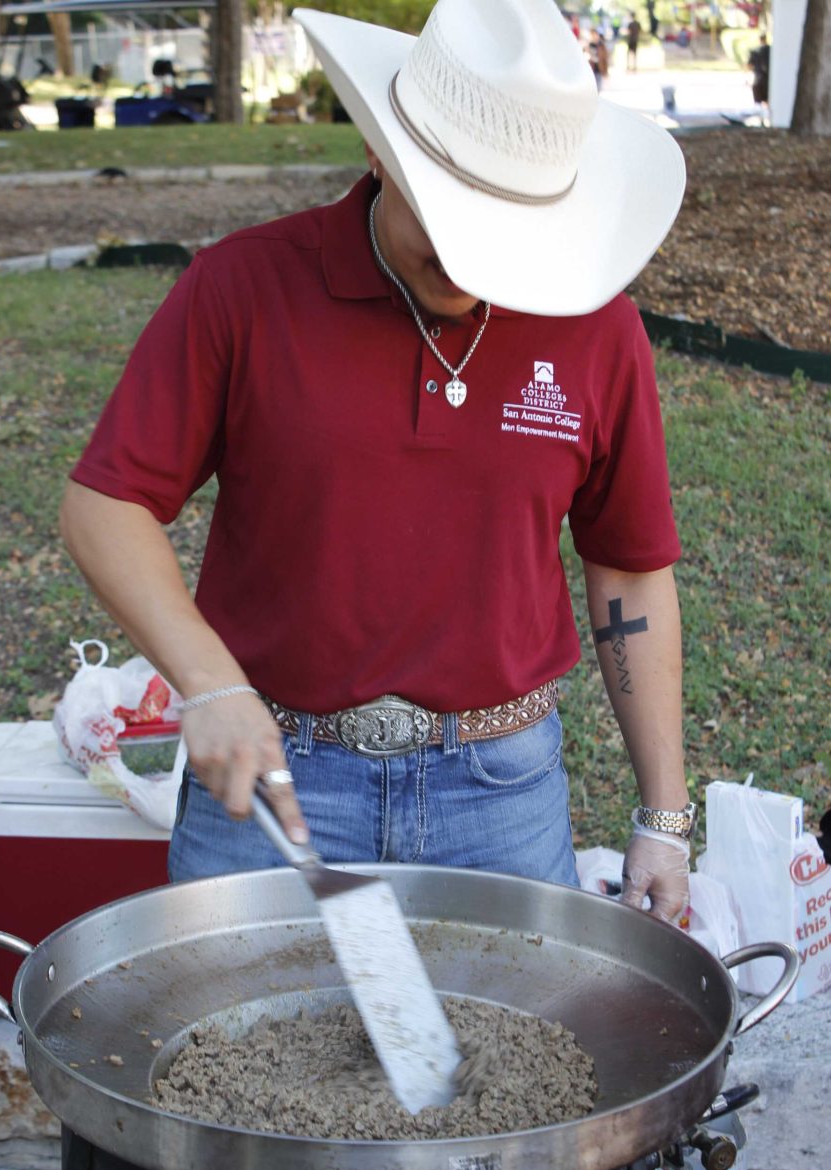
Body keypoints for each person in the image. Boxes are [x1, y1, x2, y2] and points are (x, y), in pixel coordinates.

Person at [60, 0, 692, 921]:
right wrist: (211, 682)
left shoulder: (598, 324)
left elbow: (629, 569)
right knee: (230, 1055)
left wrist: (663, 818)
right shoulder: (242, 288)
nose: (472, 266)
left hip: (502, 793)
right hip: (277, 780)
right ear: (378, 152)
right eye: (448, 218)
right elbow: (105, 504)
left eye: (502, 231)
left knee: (513, 1063)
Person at [749, 34, 770, 122]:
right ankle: (768, 118)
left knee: (758, 102)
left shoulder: (755, 51)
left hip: (757, 79)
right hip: (767, 79)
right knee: (767, 100)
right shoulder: (771, 50)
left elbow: (749, 65)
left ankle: (761, 119)